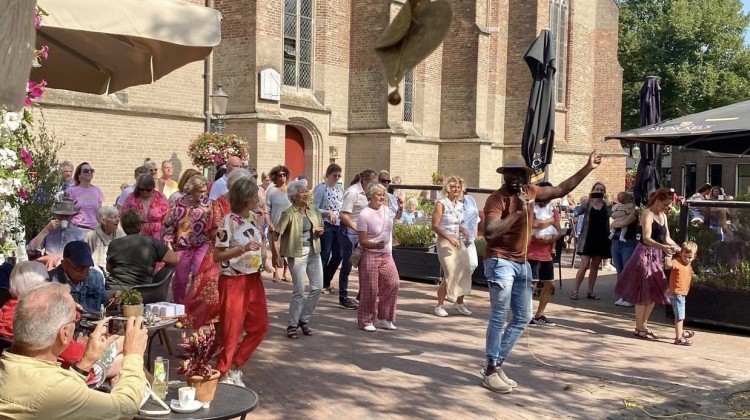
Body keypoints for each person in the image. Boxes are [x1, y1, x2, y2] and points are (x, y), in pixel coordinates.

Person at [481, 151, 601, 394]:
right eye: (510, 173)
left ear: (526, 176)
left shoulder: (531, 192)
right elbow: (490, 233)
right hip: (500, 261)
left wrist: (588, 168)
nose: (515, 177)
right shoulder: (496, 199)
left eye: (519, 173)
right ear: (504, 176)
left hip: (522, 263)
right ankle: (491, 369)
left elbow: (560, 189)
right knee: (499, 315)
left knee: (524, 317)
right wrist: (517, 213)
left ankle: (495, 364)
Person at [0, 282, 149, 419]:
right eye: (75, 318)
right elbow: (126, 407)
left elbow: (56, 389)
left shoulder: (8, 365)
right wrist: (134, 355)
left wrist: (87, 361)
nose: (77, 320)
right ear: (64, 333)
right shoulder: (55, 389)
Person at [0, 263, 124, 388]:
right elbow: (74, 355)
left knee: (120, 359)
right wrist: (83, 344)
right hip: (67, 375)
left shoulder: (9, 309)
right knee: (122, 345)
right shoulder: (37, 318)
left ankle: (116, 386)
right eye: (47, 281)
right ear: (37, 287)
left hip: (27, 373)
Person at [212, 169, 269, 387]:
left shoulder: (254, 218)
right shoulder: (228, 221)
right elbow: (218, 255)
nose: (259, 199)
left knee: (260, 326)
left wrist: (264, 256)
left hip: (253, 279)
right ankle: (223, 374)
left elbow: (257, 244)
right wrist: (241, 249)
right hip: (233, 280)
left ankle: (235, 365)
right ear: (245, 198)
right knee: (232, 330)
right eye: (255, 196)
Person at [615, 187, 681, 340]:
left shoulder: (663, 216)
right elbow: (646, 238)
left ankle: (643, 324)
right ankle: (639, 327)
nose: (666, 208)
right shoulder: (647, 214)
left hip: (656, 255)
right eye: (665, 204)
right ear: (658, 200)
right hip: (644, 254)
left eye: (668, 205)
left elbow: (666, 238)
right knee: (643, 291)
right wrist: (663, 247)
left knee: (655, 290)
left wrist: (677, 247)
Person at [272, 180, 324, 339]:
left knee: (317, 287)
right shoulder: (288, 213)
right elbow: (275, 235)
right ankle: (292, 324)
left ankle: (304, 319)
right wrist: (276, 255)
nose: (306, 193)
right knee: (299, 290)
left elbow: (321, 226)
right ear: (294, 196)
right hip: (296, 253)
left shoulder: (313, 209)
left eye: (306, 190)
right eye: (302, 191)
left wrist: (321, 231)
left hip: (314, 252)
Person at [183, 170, 235, 328]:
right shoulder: (220, 202)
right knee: (211, 285)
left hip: (240, 255)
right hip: (221, 250)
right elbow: (214, 232)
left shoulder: (245, 204)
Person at [356, 183, 402, 331]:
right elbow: (362, 240)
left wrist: (400, 208)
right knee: (370, 289)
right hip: (369, 254)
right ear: (370, 196)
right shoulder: (364, 214)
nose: (382, 197)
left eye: (383, 194)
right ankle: (366, 320)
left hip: (386, 254)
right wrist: (375, 246)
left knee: (393, 283)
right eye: (378, 194)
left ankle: (385, 317)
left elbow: (397, 218)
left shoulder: (387, 210)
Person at [162, 175, 212, 304]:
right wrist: (168, 242)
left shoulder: (208, 204)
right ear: (192, 190)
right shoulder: (178, 203)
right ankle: (179, 306)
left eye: (204, 191)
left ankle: (195, 307)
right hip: (182, 246)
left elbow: (214, 224)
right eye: (200, 191)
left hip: (202, 244)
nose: (203, 194)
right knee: (180, 279)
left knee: (198, 275)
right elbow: (168, 224)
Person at [432, 175, 473, 317]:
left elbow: (456, 223)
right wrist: (448, 237)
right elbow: (435, 226)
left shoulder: (460, 205)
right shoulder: (441, 203)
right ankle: (439, 305)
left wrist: (463, 229)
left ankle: (460, 303)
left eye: (458, 187)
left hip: (457, 239)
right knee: (450, 271)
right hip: (445, 240)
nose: (456, 189)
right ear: (448, 188)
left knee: (465, 269)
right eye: (453, 186)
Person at [339, 169, 379, 310]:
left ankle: (362, 295)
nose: (374, 185)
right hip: (350, 231)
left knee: (365, 264)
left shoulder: (370, 194)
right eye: (372, 182)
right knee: (348, 264)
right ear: (364, 180)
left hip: (364, 232)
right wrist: (356, 228)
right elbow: (343, 215)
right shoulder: (353, 192)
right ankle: (343, 296)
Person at [107, 210, 179, 288]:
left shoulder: (114, 244)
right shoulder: (152, 243)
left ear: (123, 226)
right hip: (143, 291)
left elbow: (109, 268)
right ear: (141, 225)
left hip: (115, 289)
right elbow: (175, 259)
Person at [526, 181, 563, 326]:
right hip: (531, 252)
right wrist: (550, 221)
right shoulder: (531, 208)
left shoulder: (553, 210)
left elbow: (558, 230)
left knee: (549, 285)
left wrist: (552, 238)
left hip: (546, 253)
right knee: (531, 285)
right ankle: (527, 315)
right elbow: (533, 225)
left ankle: (539, 314)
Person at [570, 182, 611, 300]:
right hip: (587, 238)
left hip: (601, 238)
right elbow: (579, 212)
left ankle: (590, 291)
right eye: (597, 189)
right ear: (593, 190)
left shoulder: (606, 205)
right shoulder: (588, 203)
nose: (599, 191)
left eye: (601, 190)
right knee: (584, 265)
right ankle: (575, 290)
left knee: (595, 266)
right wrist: (589, 199)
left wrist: (607, 201)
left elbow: (610, 214)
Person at [49, 241, 117, 314]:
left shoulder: (96, 277)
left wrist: (113, 299)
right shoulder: (51, 282)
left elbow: (105, 302)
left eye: (87, 268)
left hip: (92, 324)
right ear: (64, 264)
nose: (84, 273)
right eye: (79, 269)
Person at [313, 164, 344, 295]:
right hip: (327, 225)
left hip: (339, 225)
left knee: (338, 255)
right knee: (325, 254)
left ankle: (326, 280)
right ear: (328, 175)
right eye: (334, 175)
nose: (336, 178)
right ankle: (320, 284)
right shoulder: (322, 189)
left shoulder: (340, 190)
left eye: (338, 176)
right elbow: (314, 208)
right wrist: (327, 212)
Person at [27, 199, 87, 267]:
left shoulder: (79, 234)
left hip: (69, 266)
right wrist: (45, 230)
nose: (63, 218)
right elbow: (31, 250)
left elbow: (83, 257)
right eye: (60, 215)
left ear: (72, 216)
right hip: (49, 265)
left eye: (67, 216)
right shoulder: (49, 230)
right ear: (56, 215)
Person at [666, 241, 698, 346]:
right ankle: (679, 338)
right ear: (681, 254)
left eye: (690, 257)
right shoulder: (677, 261)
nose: (687, 259)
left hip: (682, 293)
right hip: (677, 293)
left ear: (694, 256)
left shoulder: (688, 265)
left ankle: (681, 332)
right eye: (685, 256)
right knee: (680, 316)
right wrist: (669, 255)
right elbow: (668, 265)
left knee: (680, 315)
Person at [610, 191, 639, 307]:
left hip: (628, 242)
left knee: (628, 269)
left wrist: (616, 223)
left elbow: (624, 222)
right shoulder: (624, 209)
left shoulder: (635, 211)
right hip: (616, 242)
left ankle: (630, 297)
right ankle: (622, 295)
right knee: (619, 270)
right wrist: (625, 212)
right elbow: (613, 215)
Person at [119, 174, 169, 240]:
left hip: (157, 236)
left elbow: (166, 216)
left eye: (148, 190)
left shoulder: (160, 197)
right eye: (142, 189)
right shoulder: (131, 198)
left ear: (153, 188)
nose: (145, 192)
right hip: (137, 235)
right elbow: (124, 216)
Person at [266, 165, 293, 282]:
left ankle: (286, 273)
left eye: (284, 175)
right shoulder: (271, 191)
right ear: (275, 177)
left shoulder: (292, 191)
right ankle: (276, 273)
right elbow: (267, 209)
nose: (282, 177)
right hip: (276, 224)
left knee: (288, 249)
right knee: (275, 249)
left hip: (289, 225)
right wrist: (269, 223)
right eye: (279, 175)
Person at [85, 206, 126, 273]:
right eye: (114, 217)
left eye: (118, 216)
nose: (118, 219)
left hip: (117, 272)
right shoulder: (91, 236)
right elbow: (87, 258)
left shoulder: (122, 234)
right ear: (103, 220)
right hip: (97, 272)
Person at [66, 162, 105, 230]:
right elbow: (66, 212)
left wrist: (103, 228)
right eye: (85, 171)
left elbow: (99, 213)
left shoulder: (97, 191)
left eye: (91, 170)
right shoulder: (71, 191)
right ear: (79, 175)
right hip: (76, 229)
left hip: (93, 230)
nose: (89, 172)